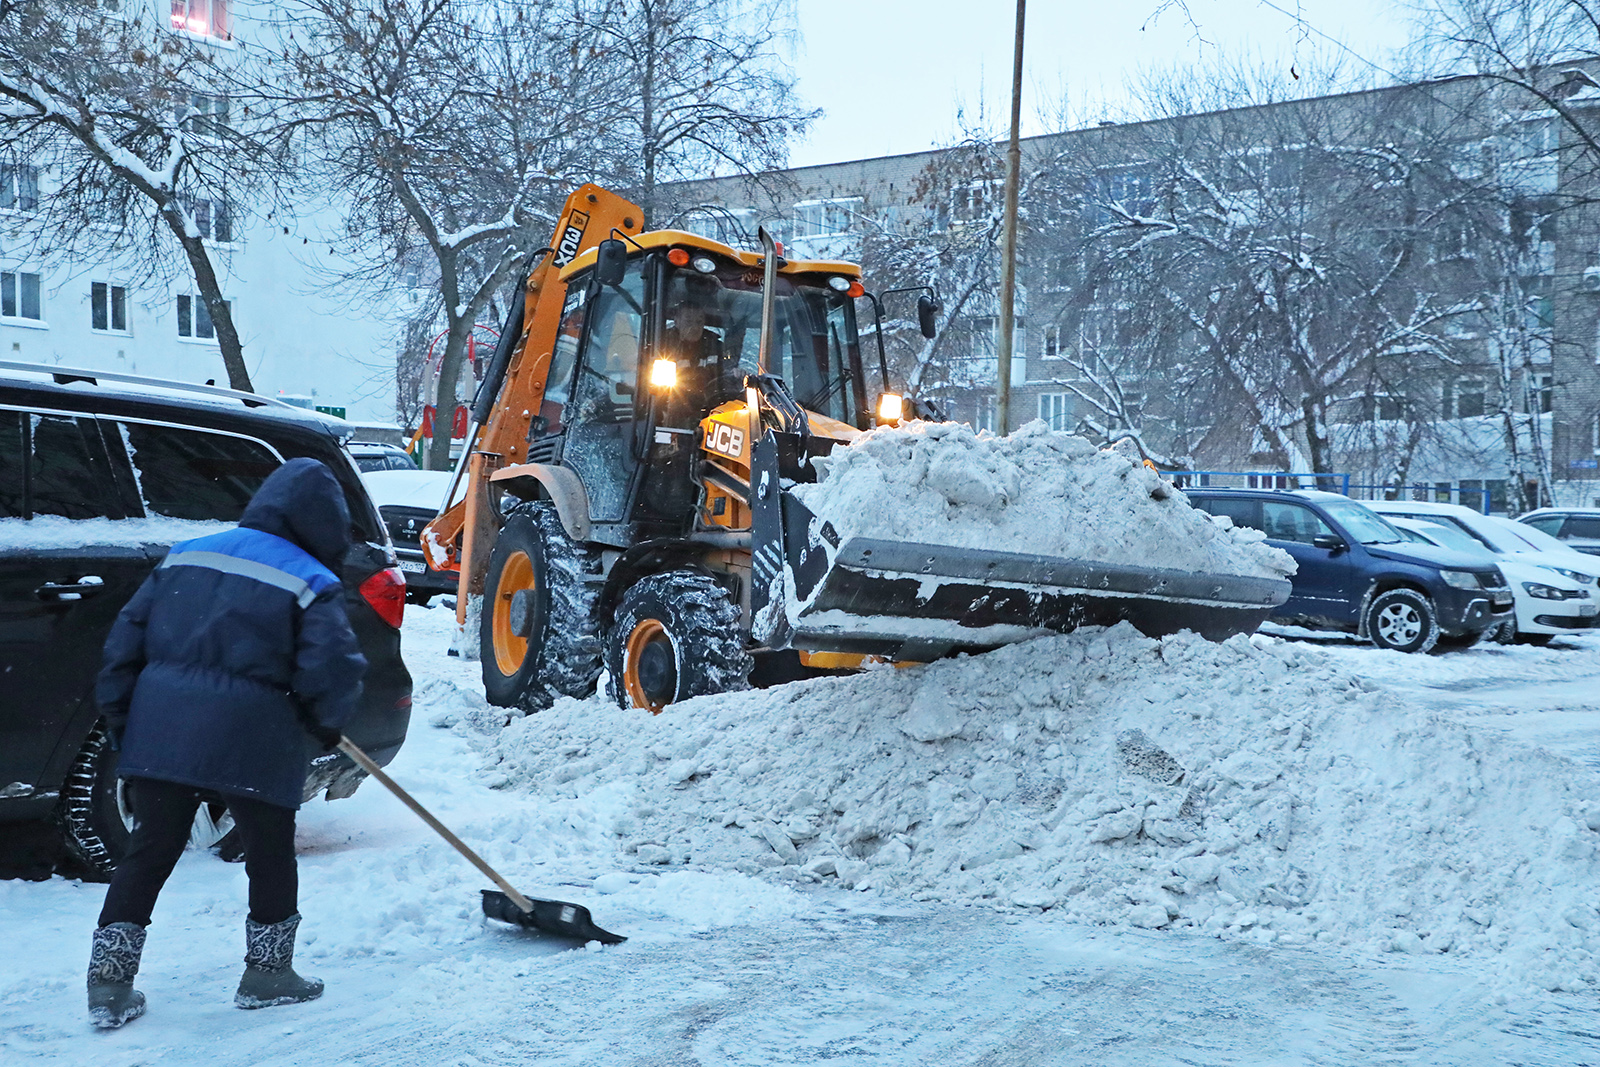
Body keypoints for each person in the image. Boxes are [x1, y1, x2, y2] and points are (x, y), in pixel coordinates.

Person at [86, 458, 367, 1029]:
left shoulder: (187, 553)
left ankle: (109, 984)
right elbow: (333, 668)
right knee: (268, 855)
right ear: (324, 521)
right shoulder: (311, 580)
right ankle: (268, 975)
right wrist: (323, 723)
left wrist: (125, 721)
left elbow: (124, 644)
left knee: (148, 852)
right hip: (257, 738)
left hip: (164, 731)